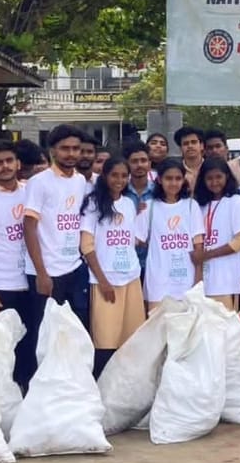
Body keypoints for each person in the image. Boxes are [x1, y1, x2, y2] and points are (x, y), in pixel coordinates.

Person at [23, 124, 90, 340]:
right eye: (65, 148)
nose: (71, 153)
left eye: (75, 148)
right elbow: (29, 227)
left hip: (75, 268)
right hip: (47, 272)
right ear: (53, 150)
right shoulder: (39, 182)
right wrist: (42, 273)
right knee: (45, 336)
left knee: (74, 333)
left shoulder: (80, 181)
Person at [79, 156, 145, 376]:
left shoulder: (128, 203)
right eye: (114, 175)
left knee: (131, 338)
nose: (119, 180)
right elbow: (87, 246)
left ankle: (124, 391)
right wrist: (103, 281)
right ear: (105, 176)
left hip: (131, 277)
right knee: (106, 339)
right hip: (105, 280)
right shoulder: (93, 203)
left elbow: (133, 238)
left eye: (124, 176)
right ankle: (102, 386)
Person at [139, 159, 204, 310]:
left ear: (183, 180)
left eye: (178, 178)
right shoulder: (149, 207)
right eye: (168, 178)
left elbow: (198, 245)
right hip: (158, 280)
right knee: (159, 326)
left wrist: (198, 277)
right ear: (160, 180)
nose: (173, 183)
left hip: (186, 278)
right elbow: (137, 239)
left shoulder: (191, 206)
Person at [0, 140, 31, 386]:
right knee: (3, 349)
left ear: (18, 163)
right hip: (1, 285)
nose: (5, 166)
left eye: (9, 160)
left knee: (30, 348)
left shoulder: (31, 191)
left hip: (32, 281)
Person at [192, 157, 240, 310]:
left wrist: (207, 255)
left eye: (219, 177)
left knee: (224, 328)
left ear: (227, 177)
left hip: (226, 280)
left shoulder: (236, 202)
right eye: (209, 178)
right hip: (200, 279)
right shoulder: (199, 205)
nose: (214, 182)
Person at [123, 140, 155, 282]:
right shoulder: (120, 192)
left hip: (154, 261)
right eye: (134, 161)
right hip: (126, 262)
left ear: (150, 163)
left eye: (143, 160)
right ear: (127, 164)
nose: (139, 165)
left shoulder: (159, 191)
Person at [173, 125, 205, 191]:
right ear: (180, 148)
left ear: (201, 145)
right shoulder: (175, 170)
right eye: (185, 143)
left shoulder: (211, 168)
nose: (190, 146)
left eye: (194, 142)